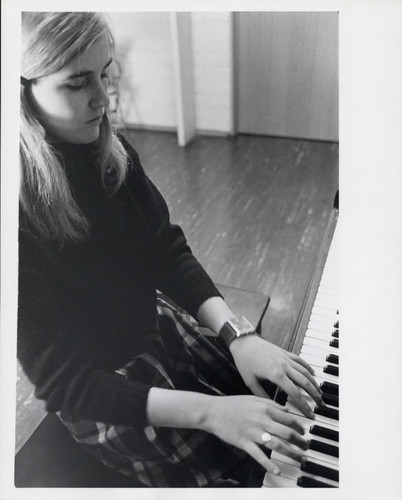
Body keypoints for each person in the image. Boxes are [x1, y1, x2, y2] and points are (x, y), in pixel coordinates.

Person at [18, 11, 325, 488]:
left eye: (106, 73)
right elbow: (67, 386)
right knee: (246, 470)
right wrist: (211, 413)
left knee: (284, 408)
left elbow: (164, 248)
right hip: (106, 394)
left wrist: (238, 335)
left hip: (157, 328)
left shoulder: (110, 151)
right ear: (22, 90)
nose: (103, 99)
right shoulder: (17, 213)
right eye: (77, 84)